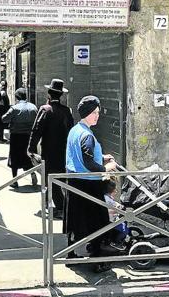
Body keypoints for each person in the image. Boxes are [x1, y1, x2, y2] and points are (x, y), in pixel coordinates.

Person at [65, 95, 118, 271]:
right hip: (88, 185)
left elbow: (80, 155)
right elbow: (87, 162)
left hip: (74, 183)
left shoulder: (75, 130)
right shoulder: (87, 135)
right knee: (97, 222)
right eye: (95, 112)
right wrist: (107, 168)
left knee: (76, 220)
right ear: (87, 113)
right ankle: (97, 261)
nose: (97, 116)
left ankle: (70, 254)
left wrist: (101, 157)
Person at [28, 79, 74, 219]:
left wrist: (31, 149)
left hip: (49, 151)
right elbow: (71, 130)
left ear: (49, 94)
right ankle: (58, 205)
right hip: (64, 151)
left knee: (50, 179)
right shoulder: (67, 111)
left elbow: (36, 130)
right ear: (60, 95)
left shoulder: (45, 109)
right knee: (59, 179)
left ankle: (61, 207)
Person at [1, 88, 38, 188]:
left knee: (14, 158)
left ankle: (14, 180)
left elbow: (4, 119)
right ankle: (33, 174)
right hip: (29, 136)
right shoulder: (33, 107)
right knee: (29, 157)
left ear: (17, 98)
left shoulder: (14, 108)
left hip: (16, 136)